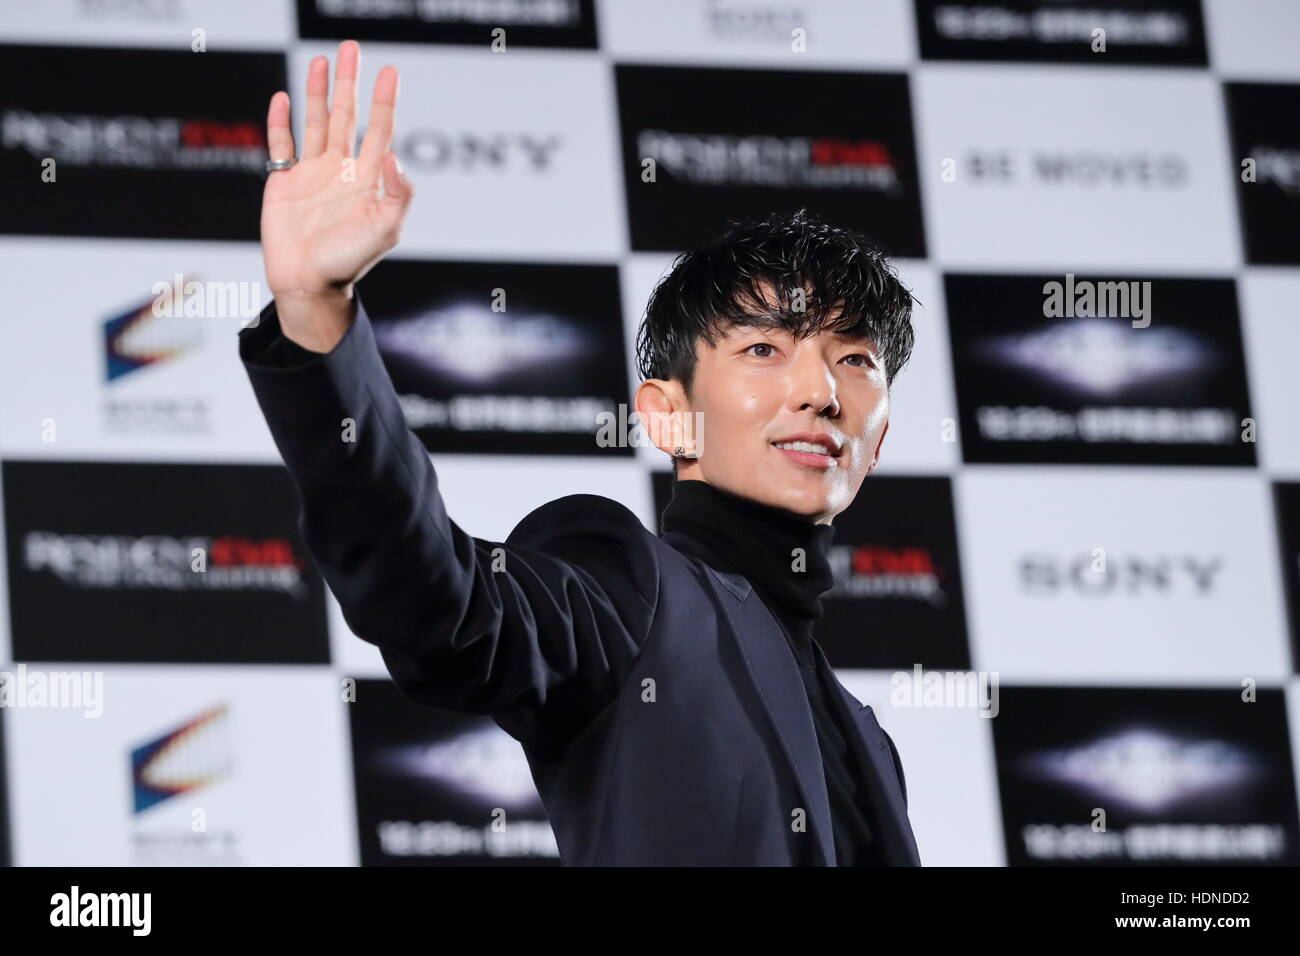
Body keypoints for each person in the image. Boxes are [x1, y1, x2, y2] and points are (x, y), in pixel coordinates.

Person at [242, 40, 921, 865]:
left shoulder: (868, 739)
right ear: (668, 418)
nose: (819, 390)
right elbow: (438, 604)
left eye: (854, 359)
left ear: (877, 439)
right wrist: (316, 313)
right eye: (764, 351)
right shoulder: (625, 587)